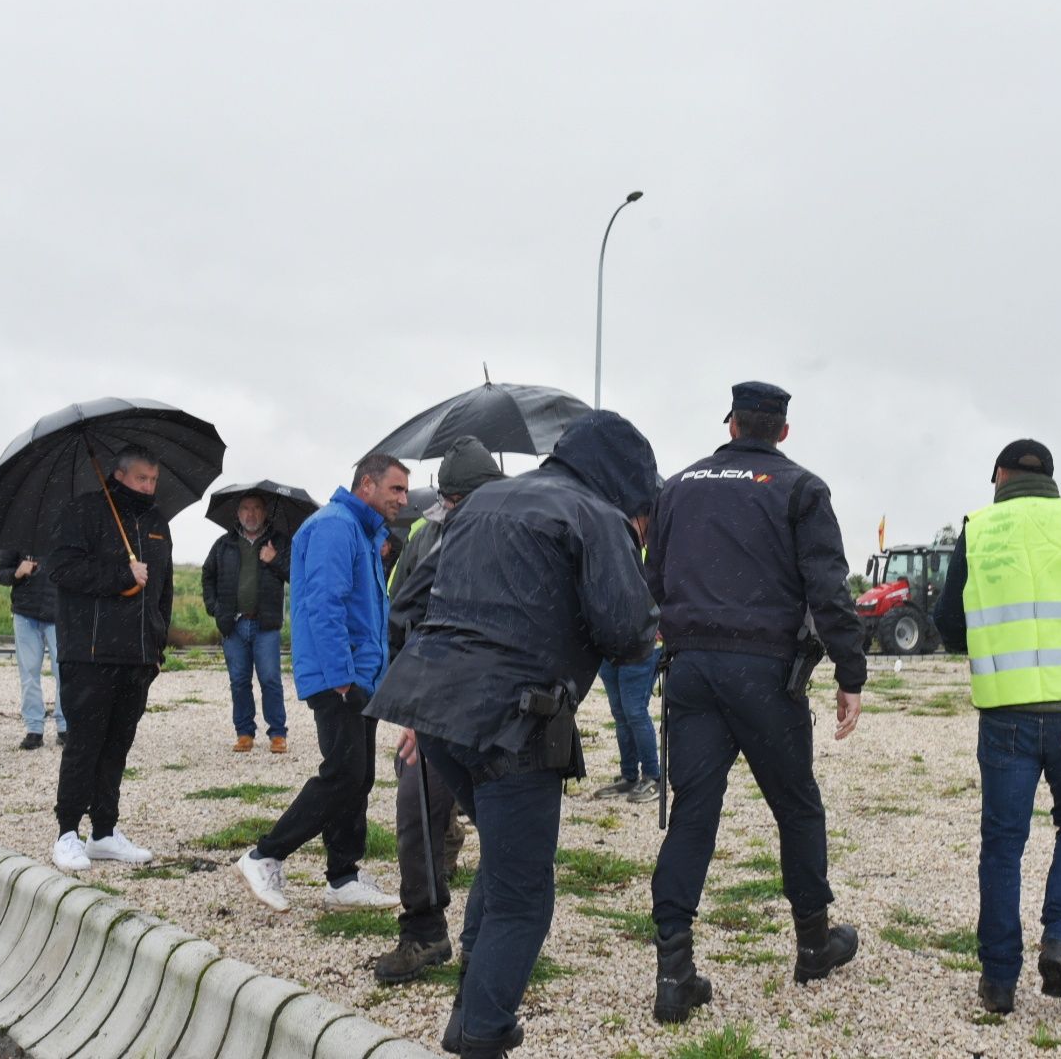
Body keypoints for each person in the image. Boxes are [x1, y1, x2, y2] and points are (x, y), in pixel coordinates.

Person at [367, 411, 659, 1059]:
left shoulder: (481, 502)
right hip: (512, 726)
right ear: (624, 476)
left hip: (438, 712)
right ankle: (483, 1034)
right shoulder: (596, 516)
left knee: (504, 861)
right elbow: (627, 633)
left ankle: (469, 1012)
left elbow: (409, 602)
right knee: (525, 895)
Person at [646, 382, 867, 1026]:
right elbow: (828, 589)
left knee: (694, 812)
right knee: (797, 806)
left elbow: (652, 575)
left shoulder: (679, 486)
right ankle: (813, 943)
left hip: (690, 669)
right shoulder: (800, 489)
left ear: (732, 422)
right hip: (765, 674)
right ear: (783, 431)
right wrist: (850, 672)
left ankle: (673, 970)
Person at [932, 439, 1061, 1015]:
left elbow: (948, 624)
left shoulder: (979, 530)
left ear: (999, 476)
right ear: (1049, 477)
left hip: (1006, 716)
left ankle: (999, 981)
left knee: (1003, 843)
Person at [234, 454, 408, 913]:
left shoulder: (363, 532)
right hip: (340, 678)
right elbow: (325, 605)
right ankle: (265, 854)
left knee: (358, 776)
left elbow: (366, 611)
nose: (403, 500)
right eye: (396, 489)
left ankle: (343, 877)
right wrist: (341, 676)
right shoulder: (336, 526)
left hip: (359, 675)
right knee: (343, 776)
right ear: (366, 484)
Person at [375, 436, 504, 987]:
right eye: (447, 502)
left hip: (506, 705)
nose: (451, 510)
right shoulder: (427, 540)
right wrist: (414, 711)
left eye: (459, 501)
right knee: (415, 805)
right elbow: (401, 623)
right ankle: (424, 928)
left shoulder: (518, 534)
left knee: (508, 823)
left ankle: (497, 938)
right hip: (439, 704)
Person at [47, 448, 174, 871]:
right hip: (89, 653)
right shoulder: (83, 512)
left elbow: (164, 589)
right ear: (118, 476)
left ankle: (104, 831)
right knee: (85, 744)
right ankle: (67, 832)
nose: (149, 488)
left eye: (153, 480)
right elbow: (63, 571)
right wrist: (121, 574)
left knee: (118, 745)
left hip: (137, 657)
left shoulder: (157, 523)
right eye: (141, 479)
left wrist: (158, 645)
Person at [201, 492, 291, 753]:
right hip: (233, 625)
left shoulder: (279, 542)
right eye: (245, 509)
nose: (250, 514)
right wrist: (215, 609)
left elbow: (297, 573)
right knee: (239, 680)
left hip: (266, 625)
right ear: (237, 514)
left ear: (265, 513)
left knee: (270, 679)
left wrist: (275, 560)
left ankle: (277, 733)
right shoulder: (223, 544)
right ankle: (244, 733)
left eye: (256, 508)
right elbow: (208, 576)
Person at [0, 545, 66, 749]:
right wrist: (17, 573)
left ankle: (65, 726)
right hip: (25, 614)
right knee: (28, 673)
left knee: (63, 671)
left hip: (60, 613)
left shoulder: (67, 531)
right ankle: (34, 728)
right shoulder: (17, 535)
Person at [591, 620, 662, 805]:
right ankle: (630, 775)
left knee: (635, 712)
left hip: (641, 644)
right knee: (622, 714)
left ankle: (653, 776)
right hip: (609, 645)